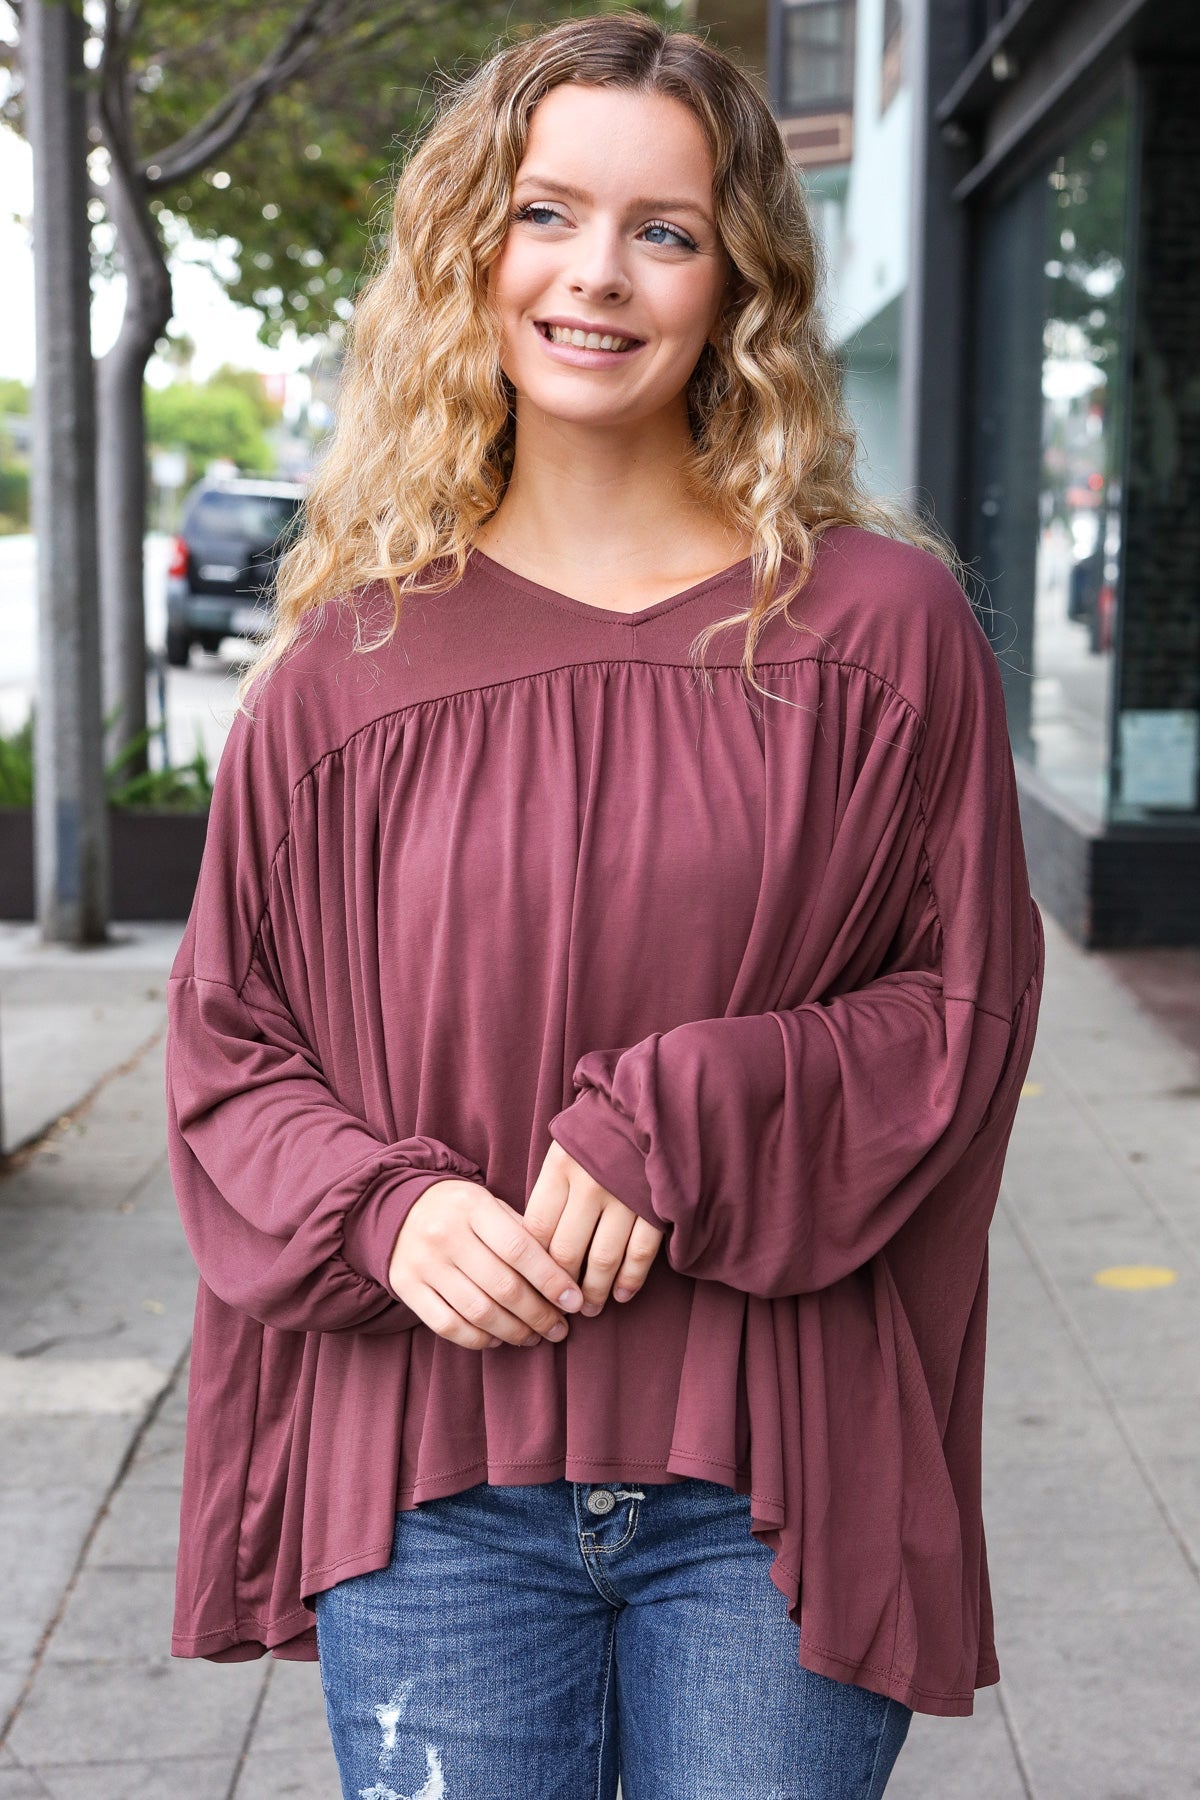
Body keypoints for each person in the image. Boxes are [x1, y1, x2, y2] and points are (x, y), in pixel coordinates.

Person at [164, 12, 1045, 1799]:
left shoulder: (879, 630)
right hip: (431, 1486)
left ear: (740, 285)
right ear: (472, 250)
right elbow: (227, 1050)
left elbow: (964, 1017)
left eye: (667, 230)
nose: (598, 276)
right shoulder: (349, 660)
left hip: (770, 1480)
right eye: (548, 213)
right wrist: (385, 1214)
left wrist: (682, 1118)